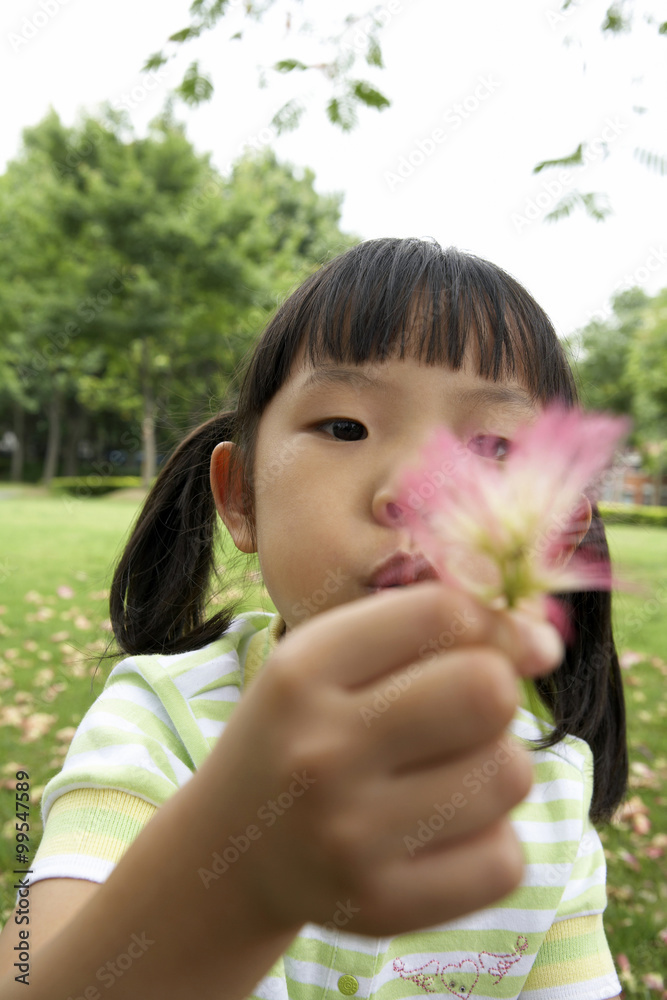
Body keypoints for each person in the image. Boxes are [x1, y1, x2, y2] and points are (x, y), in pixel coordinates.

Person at [0, 237, 625, 1000]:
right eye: (344, 428)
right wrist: (239, 886)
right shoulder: (159, 722)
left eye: (492, 445)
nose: (414, 491)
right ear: (239, 498)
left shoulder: (554, 787)